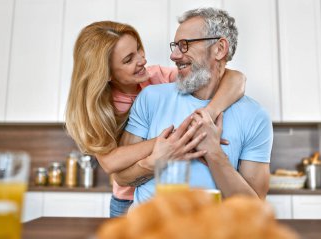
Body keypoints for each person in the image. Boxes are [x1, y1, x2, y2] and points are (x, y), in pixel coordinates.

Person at [65, 21, 246, 217]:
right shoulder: (98, 107)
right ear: (106, 73)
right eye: (128, 60)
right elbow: (110, 163)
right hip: (127, 202)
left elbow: (236, 79)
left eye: (138, 50)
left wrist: (205, 117)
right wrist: (172, 141)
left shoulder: (158, 78)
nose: (142, 60)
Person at [113, 7, 273, 204]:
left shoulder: (255, 116)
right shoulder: (150, 98)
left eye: (184, 45)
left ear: (220, 48)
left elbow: (253, 208)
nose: (174, 56)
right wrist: (159, 161)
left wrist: (214, 153)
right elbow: (121, 177)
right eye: (175, 46)